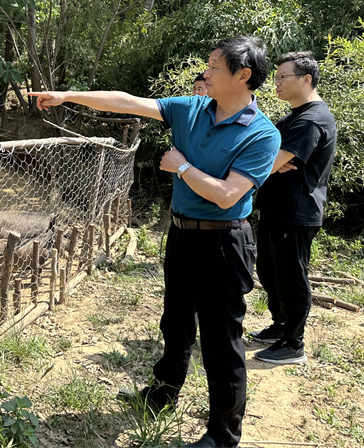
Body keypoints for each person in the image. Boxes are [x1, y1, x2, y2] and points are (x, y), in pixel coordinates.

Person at [29, 36, 280, 448]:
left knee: (221, 339)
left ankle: (223, 434)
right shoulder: (193, 107)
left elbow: (227, 195)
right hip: (182, 234)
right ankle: (162, 394)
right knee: (176, 321)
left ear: (243, 76)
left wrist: (182, 167)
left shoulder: (262, 134)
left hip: (224, 242)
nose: (206, 74)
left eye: (215, 67)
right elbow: (128, 102)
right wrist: (67, 96)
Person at [251, 52, 337, 365]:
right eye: (276, 77)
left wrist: (271, 162)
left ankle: (293, 343)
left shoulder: (312, 119)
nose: (276, 83)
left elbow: (269, 162)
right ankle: (281, 325)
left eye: (282, 77)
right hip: (276, 207)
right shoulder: (294, 117)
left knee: (291, 277)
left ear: (306, 79)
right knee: (269, 271)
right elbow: (266, 154)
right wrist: (272, 161)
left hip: (296, 211)